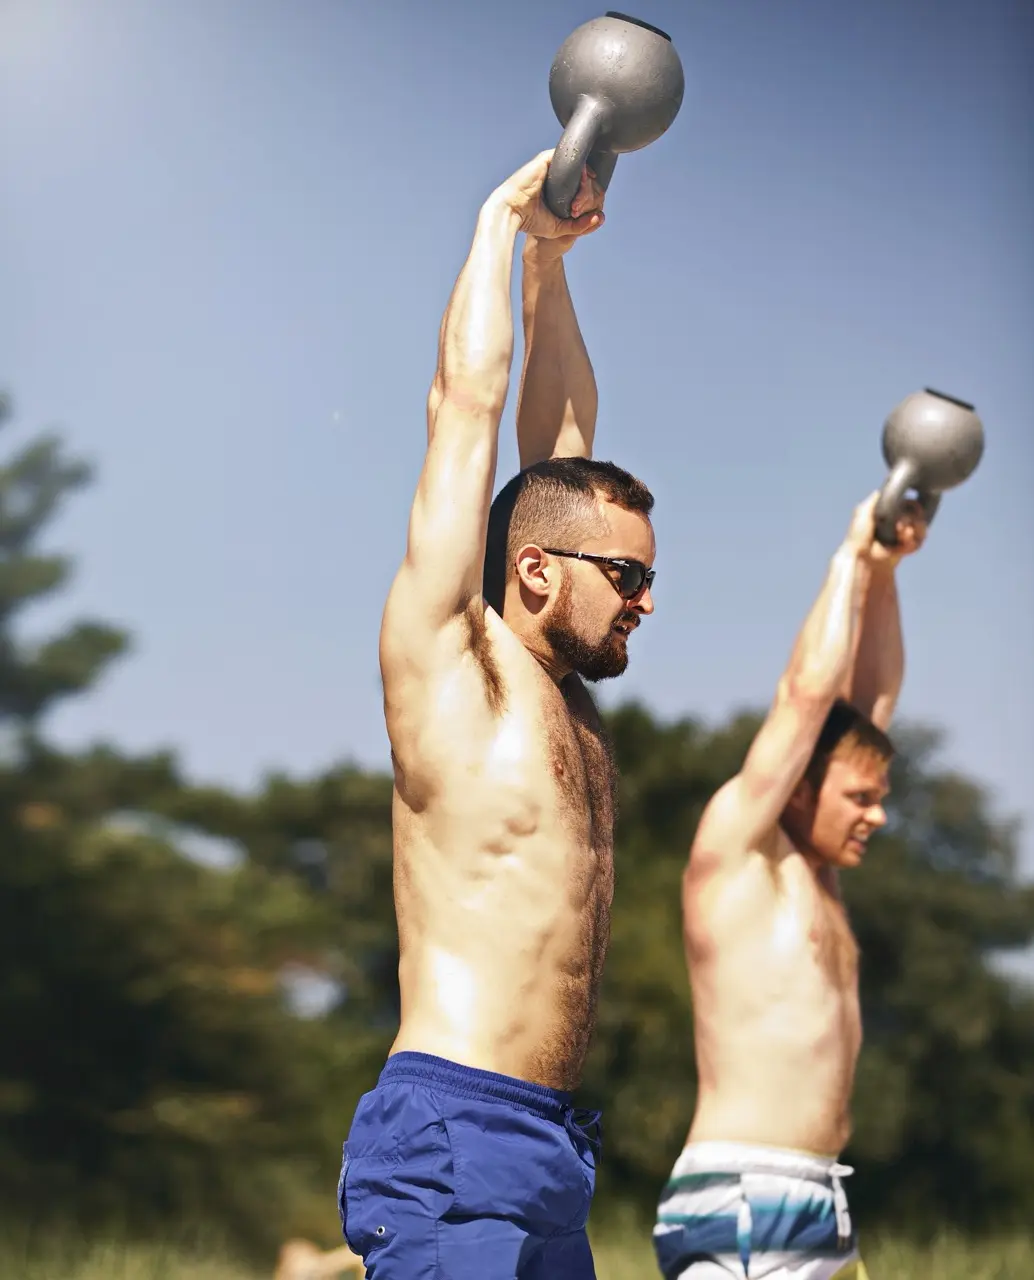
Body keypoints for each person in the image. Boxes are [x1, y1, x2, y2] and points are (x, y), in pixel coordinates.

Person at [339, 150, 657, 1279]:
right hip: (449, 1136)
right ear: (531, 570)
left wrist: (550, 264)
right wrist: (494, 221)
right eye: (623, 577)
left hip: (550, 1147)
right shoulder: (447, 665)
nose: (645, 599)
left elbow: (559, 459)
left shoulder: (559, 697)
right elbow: (463, 411)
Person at [653, 493, 926, 1280]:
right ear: (801, 787)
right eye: (861, 799)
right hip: (741, 1195)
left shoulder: (818, 878)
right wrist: (848, 553)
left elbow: (868, 710)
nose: (877, 816)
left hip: (822, 1203)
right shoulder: (739, 850)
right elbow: (807, 699)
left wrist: (884, 572)